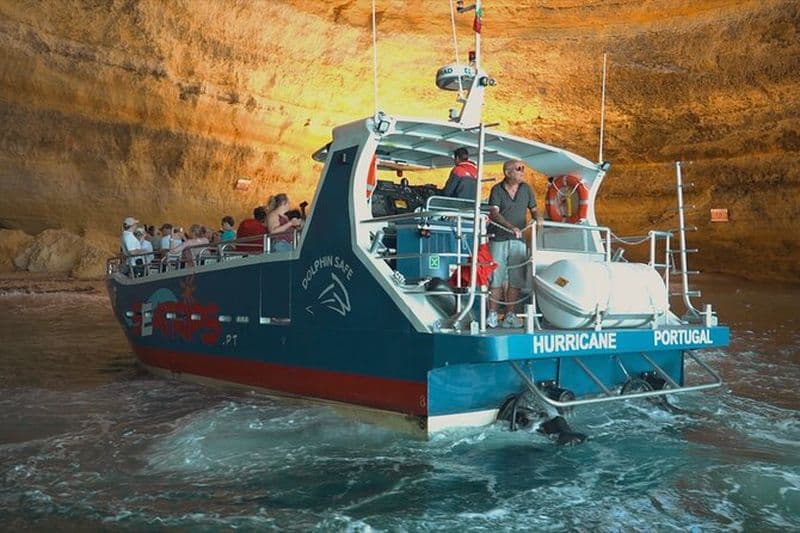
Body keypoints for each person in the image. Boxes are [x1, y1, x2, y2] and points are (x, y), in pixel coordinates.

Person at [487, 159, 543, 328]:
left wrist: (538, 218)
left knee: (516, 280)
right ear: (508, 172)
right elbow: (494, 213)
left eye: (522, 168)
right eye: (519, 169)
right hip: (499, 239)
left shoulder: (526, 189)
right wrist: (510, 227)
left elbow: (534, 209)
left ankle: (510, 315)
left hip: (518, 241)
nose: (522, 171)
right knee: (496, 279)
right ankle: (493, 315)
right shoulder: (496, 189)